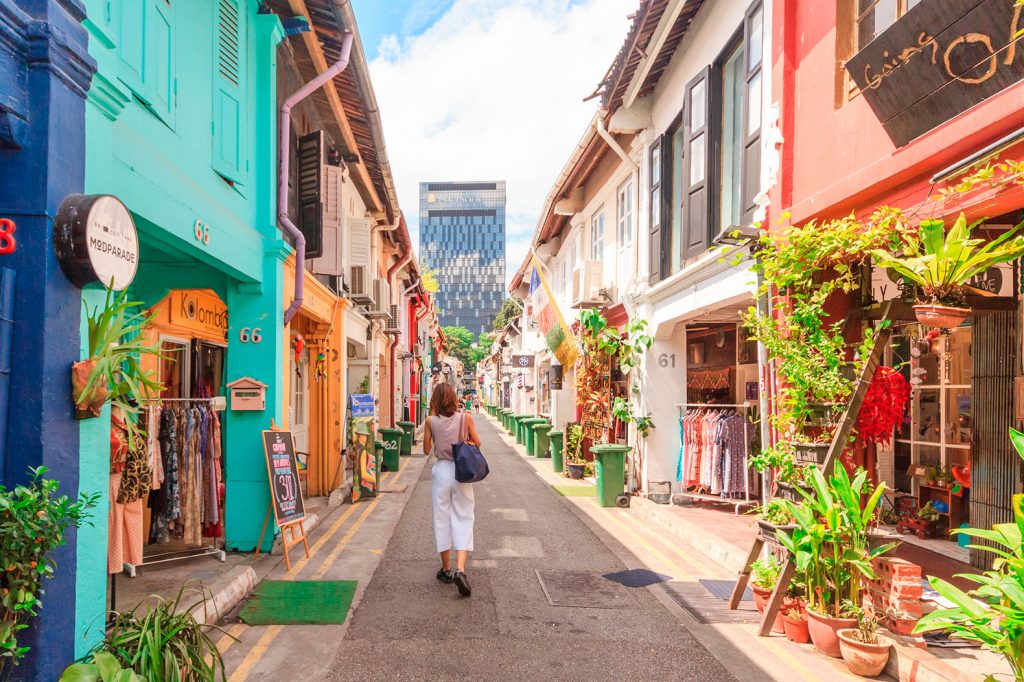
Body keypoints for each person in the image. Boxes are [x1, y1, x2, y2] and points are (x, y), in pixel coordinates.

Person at [423, 383, 480, 597]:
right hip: (462, 471)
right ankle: (460, 569)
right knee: (463, 518)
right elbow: (478, 442)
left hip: (442, 472)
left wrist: (434, 428)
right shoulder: (466, 418)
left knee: (442, 518)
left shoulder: (430, 421)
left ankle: (446, 569)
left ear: (435, 401)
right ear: (454, 398)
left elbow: (427, 449)